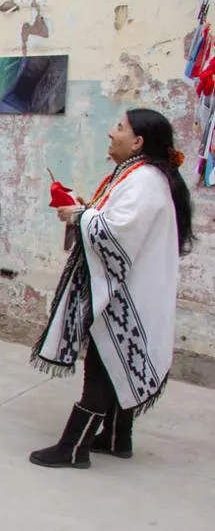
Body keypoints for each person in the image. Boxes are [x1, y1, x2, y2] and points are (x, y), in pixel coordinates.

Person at [29, 108, 194, 469]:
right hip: (130, 290)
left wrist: (80, 216)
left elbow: (117, 233)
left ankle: (74, 448)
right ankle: (118, 437)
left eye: (120, 127)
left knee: (102, 365)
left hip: (126, 294)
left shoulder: (144, 179)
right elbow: (116, 222)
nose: (111, 133)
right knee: (114, 360)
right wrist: (87, 210)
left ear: (137, 142)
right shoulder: (140, 175)